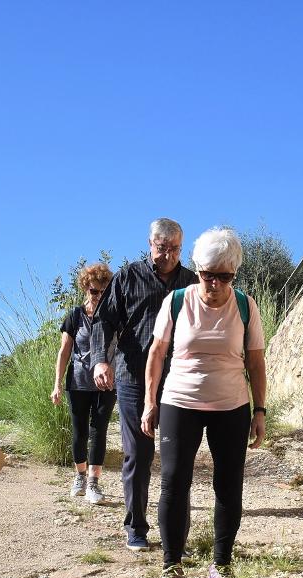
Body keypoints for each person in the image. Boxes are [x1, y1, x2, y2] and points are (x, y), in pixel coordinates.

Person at [141, 227, 267, 578]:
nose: (213, 283)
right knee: (174, 481)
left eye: (223, 276)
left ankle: (222, 563)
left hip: (232, 404)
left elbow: (256, 362)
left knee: (228, 485)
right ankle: (171, 566)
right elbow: (157, 353)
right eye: (207, 274)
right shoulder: (177, 301)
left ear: (234, 274)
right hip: (180, 401)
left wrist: (260, 410)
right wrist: (150, 403)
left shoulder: (245, 305)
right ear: (197, 269)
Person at [92, 218, 198, 551]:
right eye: (162, 248)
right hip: (132, 378)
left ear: (182, 248)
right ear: (150, 244)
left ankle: (176, 530)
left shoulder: (191, 283)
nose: (168, 255)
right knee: (138, 453)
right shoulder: (127, 278)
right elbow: (104, 322)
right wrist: (100, 360)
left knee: (177, 458)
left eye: (175, 249)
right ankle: (136, 527)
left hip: (179, 381)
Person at [51, 262, 117, 503]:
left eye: (103, 291)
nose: (98, 295)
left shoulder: (114, 318)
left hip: (107, 383)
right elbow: (64, 351)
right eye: (94, 290)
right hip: (77, 382)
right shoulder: (75, 316)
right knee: (79, 432)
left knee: (98, 431)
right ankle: (80, 475)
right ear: (85, 289)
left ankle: (93, 482)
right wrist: (57, 384)